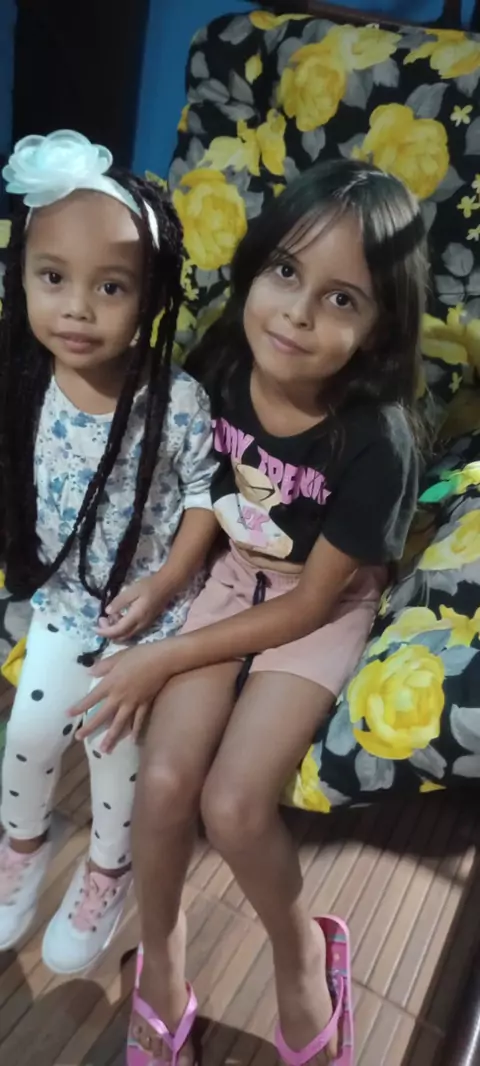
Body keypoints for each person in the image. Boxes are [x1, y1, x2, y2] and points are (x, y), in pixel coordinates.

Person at [74, 159, 427, 1066]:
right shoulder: (222, 363)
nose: (297, 314)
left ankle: (303, 957)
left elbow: (312, 599)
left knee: (234, 806)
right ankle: (162, 966)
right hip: (227, 573)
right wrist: (163, 589)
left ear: (381, 326)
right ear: (256, 266)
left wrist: (159, 659)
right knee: (161, 784)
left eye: (341, 299)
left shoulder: (377, 439)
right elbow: (197, 488)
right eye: (286, 272)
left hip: (320, 605)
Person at [0, 130, 218, 975]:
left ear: (153, 296)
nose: (77, 309)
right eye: (52, 278)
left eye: (112, 286)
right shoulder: (25, 381)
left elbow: (205, 496)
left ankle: (108, 869)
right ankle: (24, 844)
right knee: (26, 731)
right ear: (21, 279)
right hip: (62, 605)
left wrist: (166, 584)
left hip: (145, 618)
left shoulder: (176, 400)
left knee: (111, 747)